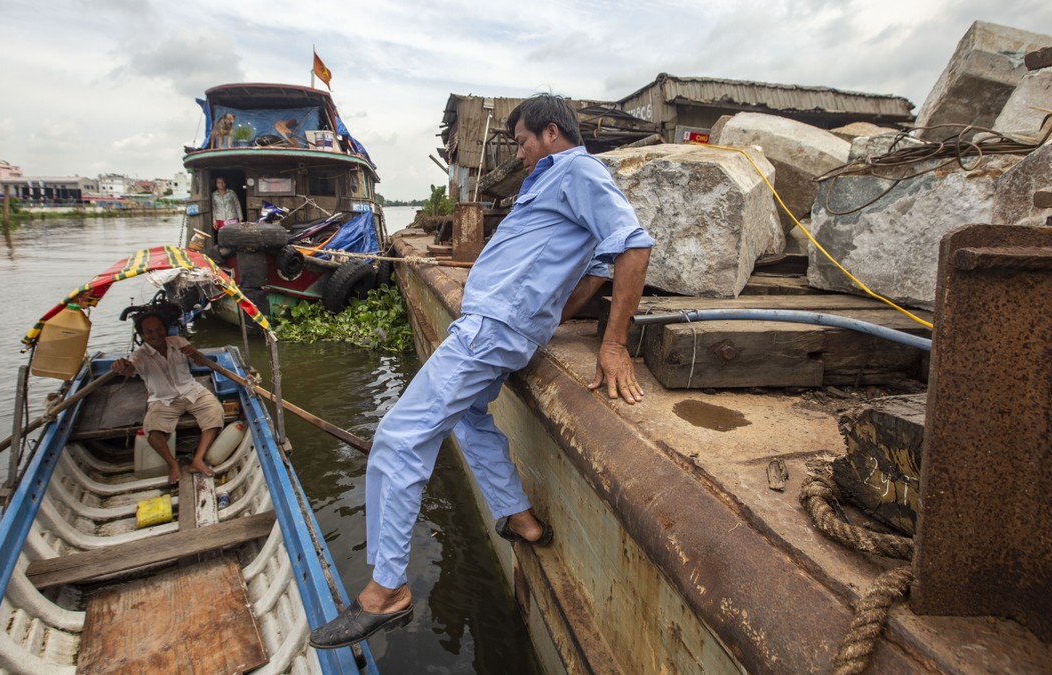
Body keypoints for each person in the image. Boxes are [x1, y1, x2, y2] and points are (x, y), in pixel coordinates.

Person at [308, 94, 654, 649]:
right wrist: (544, 316)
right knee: (468, 417)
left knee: (398, 439)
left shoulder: (579, 170)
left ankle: (386, 591)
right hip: (499, 327)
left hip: (490, 332)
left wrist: (613, 344)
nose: (518, 153)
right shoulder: (552, 180)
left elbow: (631, 245)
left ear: (551, 132)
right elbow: (591, 269)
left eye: (522, 141)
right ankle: (519, 517)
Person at [111, 312, 224, 483]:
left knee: (215, 413)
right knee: (153, 432)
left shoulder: (178, 342)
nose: (155, 334)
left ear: (165, 329)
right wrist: (122, 366)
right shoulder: (138, 356)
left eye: (159, 329)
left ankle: (198, 460)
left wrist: (195, 353)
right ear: (142, 335)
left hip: (192, 391)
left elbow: (200, 362)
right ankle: (173, 464)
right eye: (149, 332)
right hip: (163, 400)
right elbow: (129, 369)